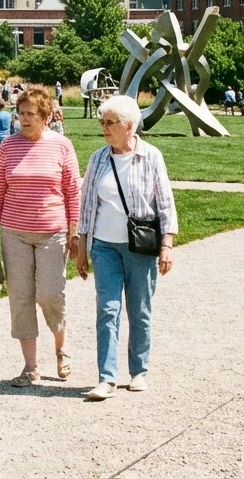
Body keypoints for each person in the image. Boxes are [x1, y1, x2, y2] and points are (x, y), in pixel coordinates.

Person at [73, 95, 177, 401]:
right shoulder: (97, 159)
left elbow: (165, 203)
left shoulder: (151, 156)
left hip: (140, 247)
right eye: (102, 122)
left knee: (139, 309)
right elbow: (87, 205)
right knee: (108, 309)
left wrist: (167, 244)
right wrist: (81, 247)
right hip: (104, 246)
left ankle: (139, 370)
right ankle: (107, 377)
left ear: (129, 126)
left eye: (110, 123)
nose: (104, 128)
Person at [0, 85, 80, 388]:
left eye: (30, 115)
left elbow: (73, 191)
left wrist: (75, 232)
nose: (23, 119)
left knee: (50, 293)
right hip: (15, 233)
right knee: (20, 298)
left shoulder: (62, 146)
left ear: (46, 116)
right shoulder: (9, 147)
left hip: (53, 231)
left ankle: (61, 349)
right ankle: (30, 366)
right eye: (20, 114)